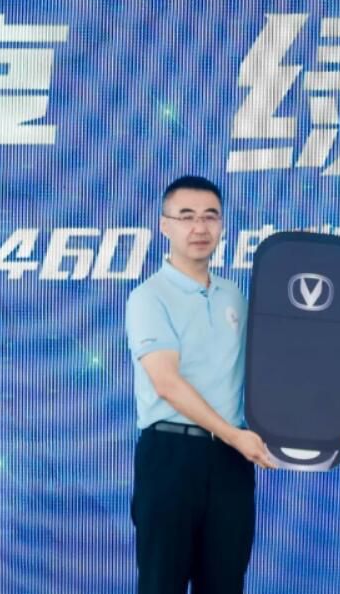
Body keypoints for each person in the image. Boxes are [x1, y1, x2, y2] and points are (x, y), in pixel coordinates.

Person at [125, 174, 276, 594]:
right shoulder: (149, 297)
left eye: (210, 217)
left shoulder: (234, 296)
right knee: (161, 583)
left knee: (225, 583)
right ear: (165, 225)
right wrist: (234, 435)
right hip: (171, 455)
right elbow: (166, 382)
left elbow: (274, 364)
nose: (199, 227)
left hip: (230, 462)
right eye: (187, 216)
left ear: (222, 225)